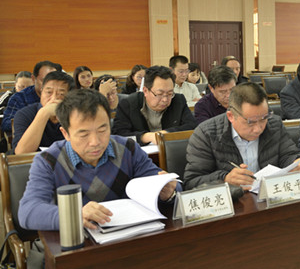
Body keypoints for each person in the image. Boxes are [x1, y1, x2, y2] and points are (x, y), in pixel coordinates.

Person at [18, 89, 180, 231]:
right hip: (77, 242)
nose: (95, 142)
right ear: (65, 133)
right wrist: (75, 215)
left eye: (102, 130)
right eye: (84, 134)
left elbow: (171, 186)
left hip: (127, 236)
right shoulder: (48, 160)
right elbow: (28, 211)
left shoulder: (127, 148)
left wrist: (168, 192)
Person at [184, 82, 300, 189]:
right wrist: (224, 179)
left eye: (264, 118)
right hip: (234, 204)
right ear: (231, 116)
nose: (258, 129)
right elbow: (191, 182)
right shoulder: (206, 134)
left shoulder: (274, 124)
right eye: (251, 122)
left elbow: (289, 155)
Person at [112, 66, 197, 145]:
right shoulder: (128, 104)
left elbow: (192, 126)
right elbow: (118, 135)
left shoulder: (178, 100)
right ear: (145, 91)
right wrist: (145, 137)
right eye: (159, 94)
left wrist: (166, 133)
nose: (165, 99)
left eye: (169, 93)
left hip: (171, 152)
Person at [13, 71, 75, 154]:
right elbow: (21, 153)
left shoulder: (76, 114)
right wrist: (44, 113)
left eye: (61, 94)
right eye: (49, 92)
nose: (53, 98)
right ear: (41, 92)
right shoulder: (24, 114)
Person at [2, 60, 61, 133]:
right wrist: (38, 120)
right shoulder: (19, 98)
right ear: (33, 79)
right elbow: (6, 124)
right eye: (43, 80)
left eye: (53, 81)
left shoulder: (62, 96)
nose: (49, 85)